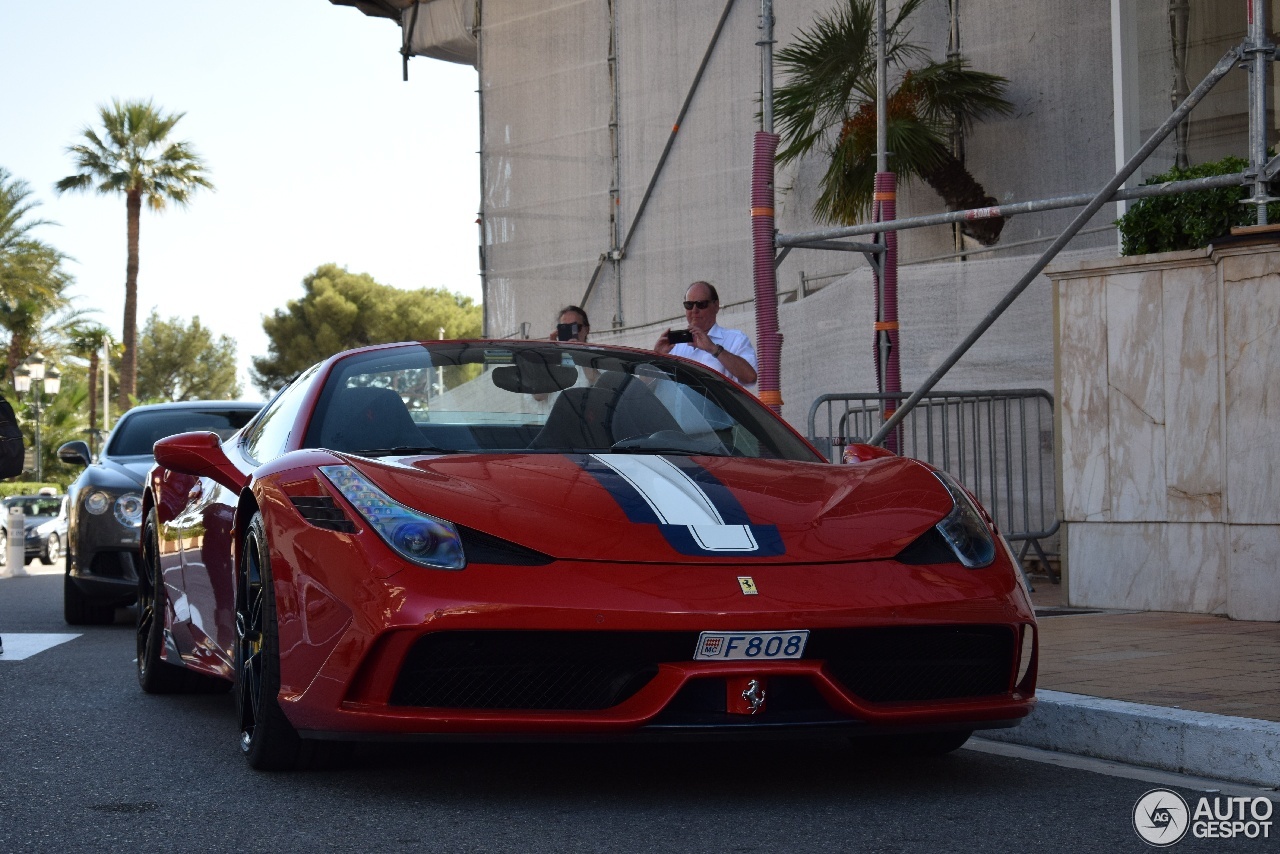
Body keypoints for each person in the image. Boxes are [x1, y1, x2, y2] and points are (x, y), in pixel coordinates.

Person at [654, 281, 757, 387]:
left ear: (716, 306)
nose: (694, 310)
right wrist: (655, 358)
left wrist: (714, 349)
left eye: (701, 304)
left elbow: (750, 377)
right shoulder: (674, 346)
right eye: (689, 305)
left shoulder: (736, 339)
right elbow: (646, 387)